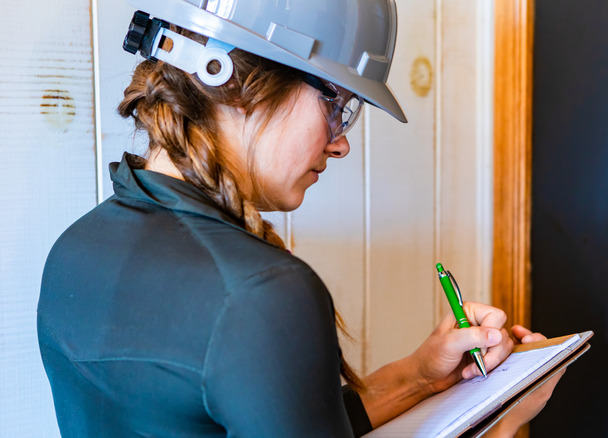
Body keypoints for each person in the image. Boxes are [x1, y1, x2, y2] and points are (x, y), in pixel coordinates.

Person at [37, 0, 563, 436]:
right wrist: (508, 416)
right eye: (337, 105)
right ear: (235, 83)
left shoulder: (75, 249)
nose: (340, 144)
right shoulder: (259, 292)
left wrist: (422, 376)